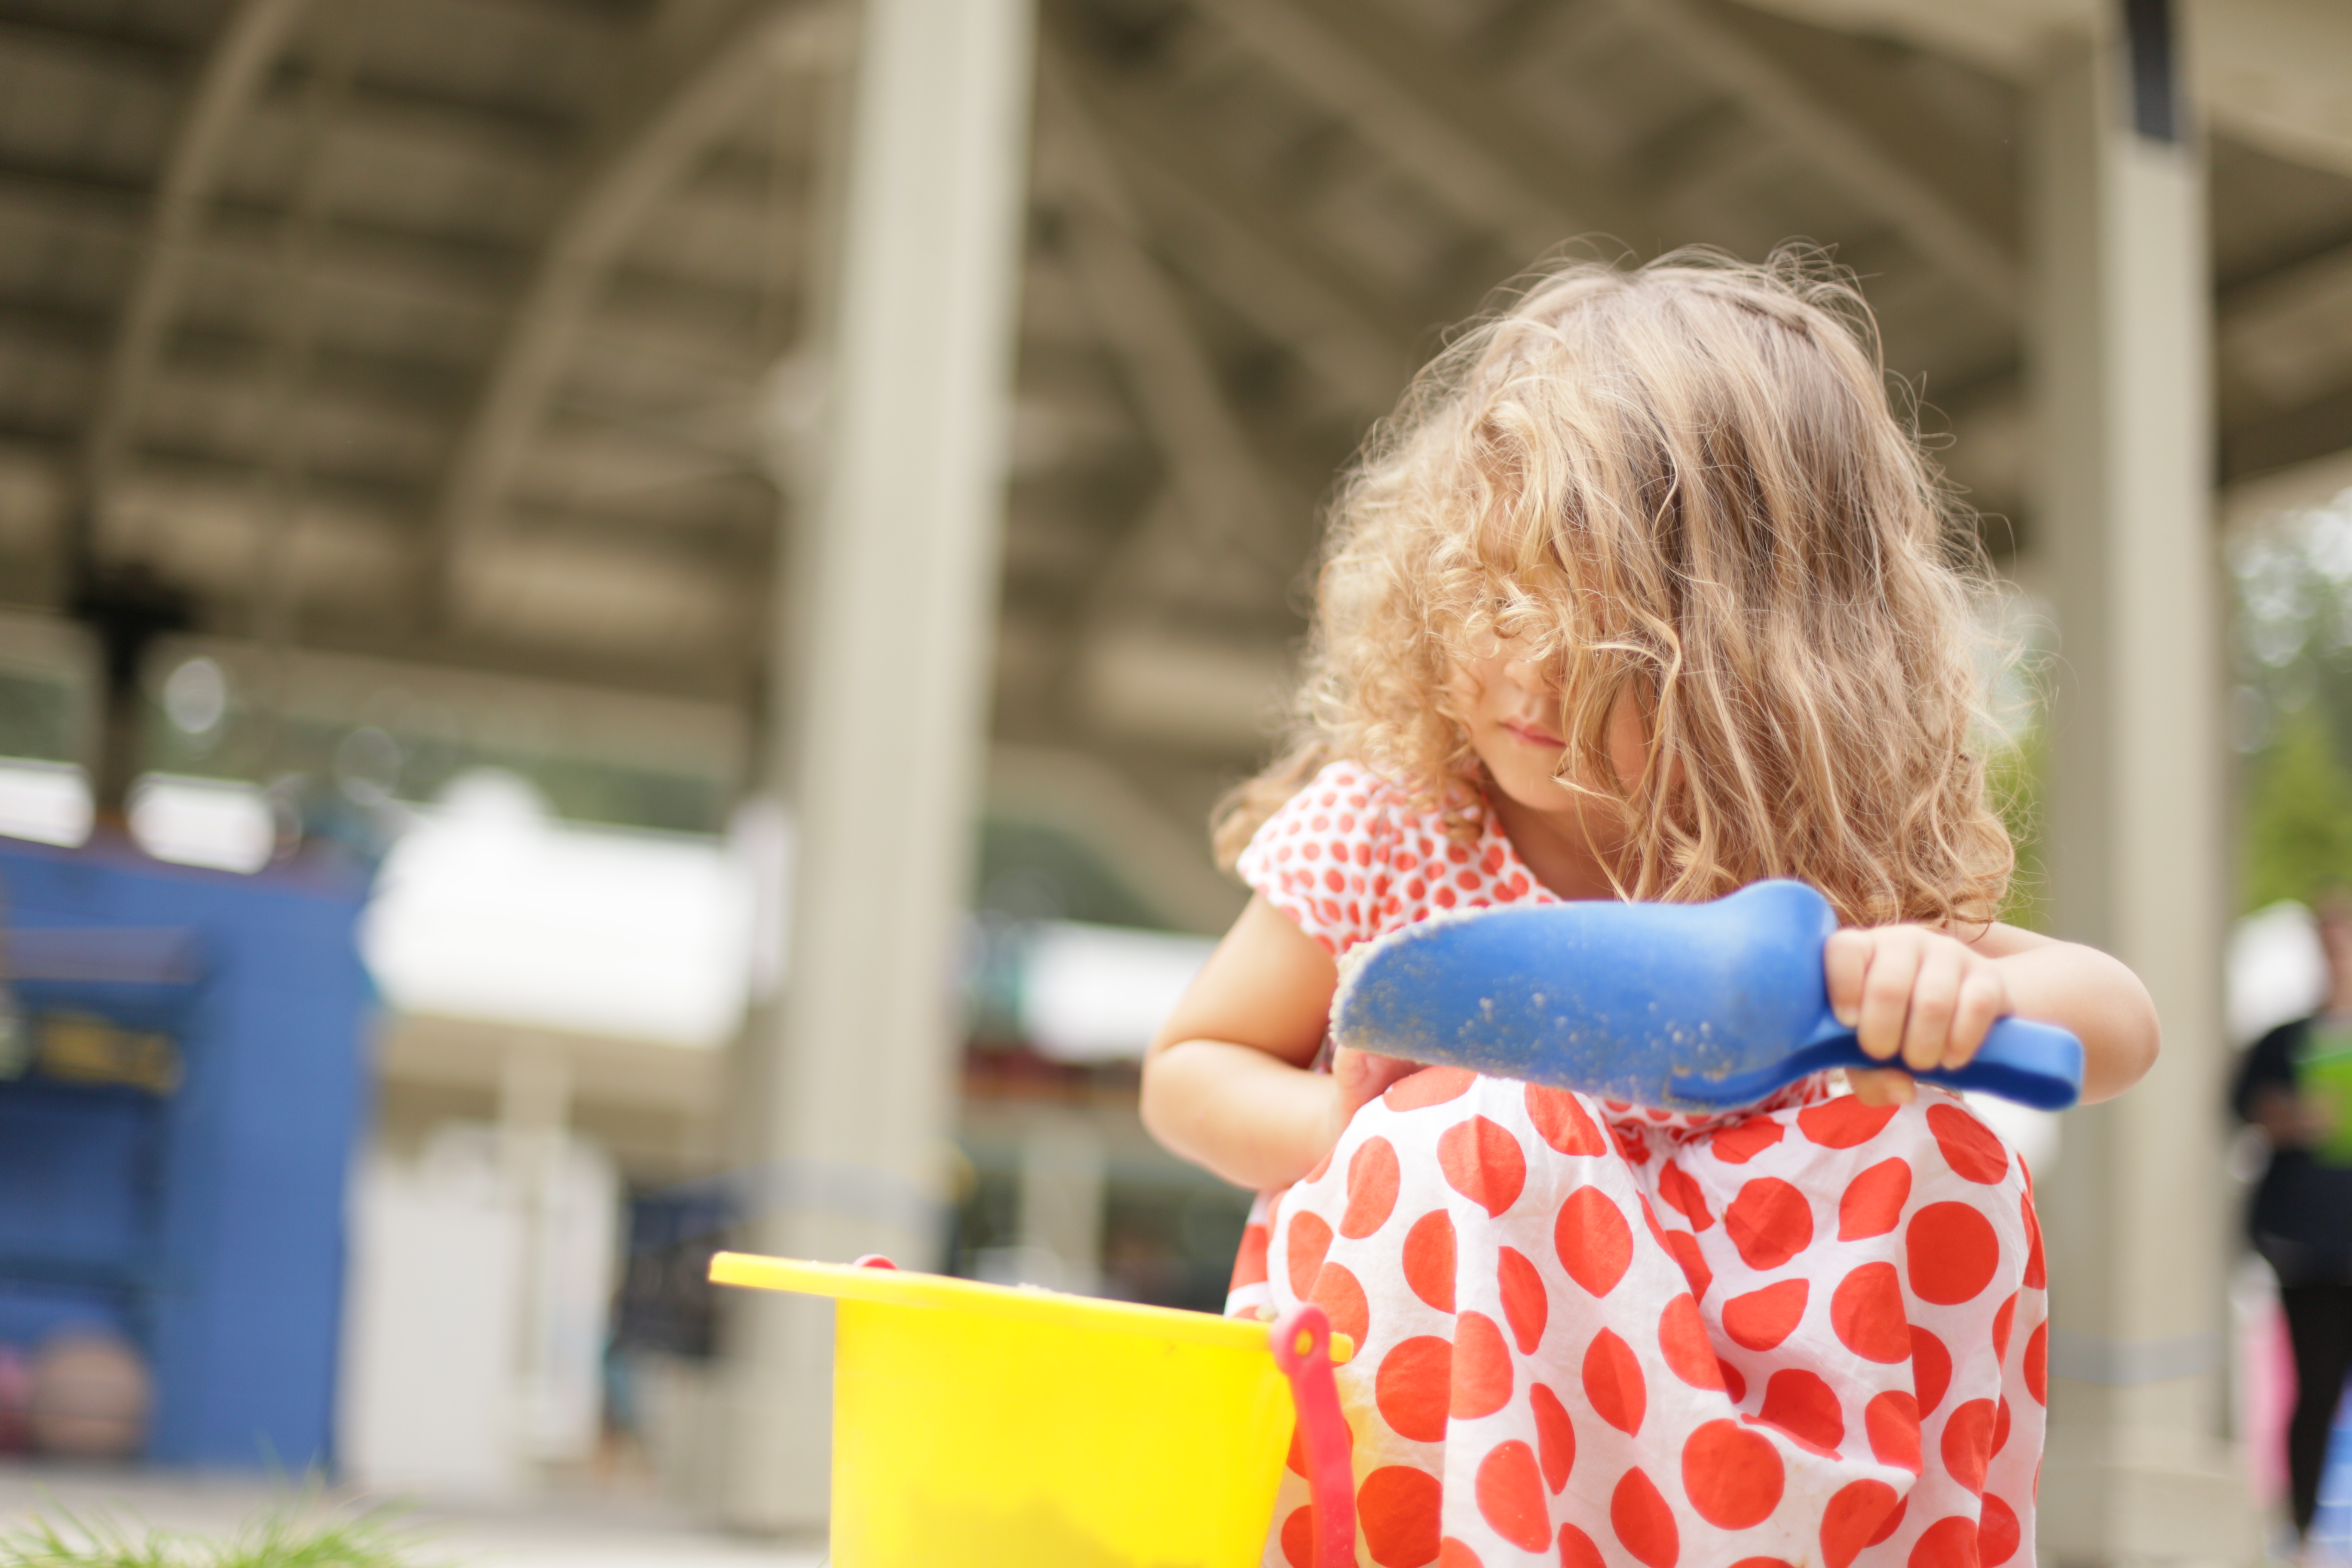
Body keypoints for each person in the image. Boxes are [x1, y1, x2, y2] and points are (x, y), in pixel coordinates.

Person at [1142, 251, 2160, 1568]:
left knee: (1945, 1155)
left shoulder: (1798, 879)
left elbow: (2119, 1026)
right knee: (1484, 1117)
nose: (1529, 671)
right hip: (1444, 1422)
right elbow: (1189, 1070)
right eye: (1496, 601)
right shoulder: (1400, 827)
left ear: (1765, 664)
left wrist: (1940, 986)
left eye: (1610, 636)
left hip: (1726, 1419)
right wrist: (1344, 1116)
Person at [2236, 894, 2352, 1544]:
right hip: (2306, 1246)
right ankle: (2301, 1533)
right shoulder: (2284, 1041)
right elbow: (2240, 1107)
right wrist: (2284, 1118)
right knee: (2314, 1393)